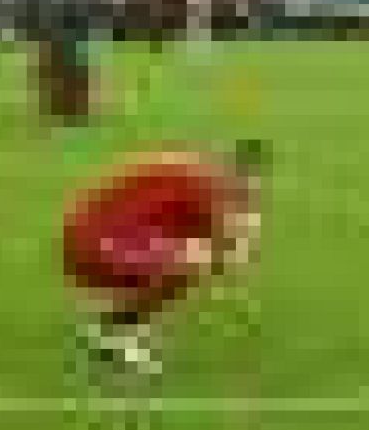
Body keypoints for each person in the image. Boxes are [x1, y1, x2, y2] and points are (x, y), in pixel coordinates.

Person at [63, 139, 265, 381]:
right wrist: (241, 233)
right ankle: (122, 338)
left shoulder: (190, 172)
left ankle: (117, 331)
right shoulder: (203, 189)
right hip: (98, 244)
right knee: (191, 261)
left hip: (89, 238)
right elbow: (224, 249)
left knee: (188, 257)